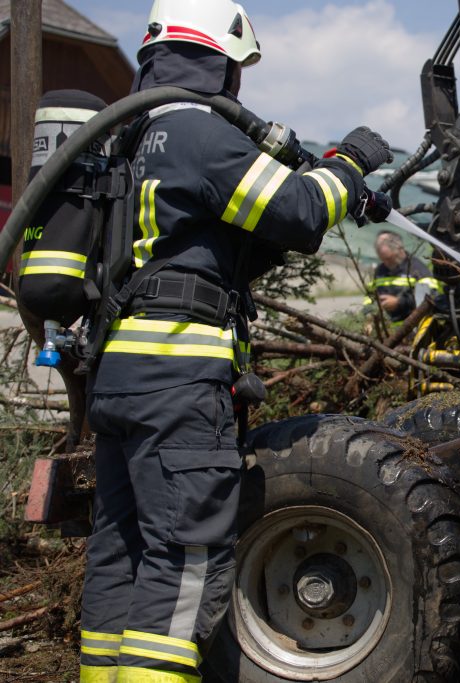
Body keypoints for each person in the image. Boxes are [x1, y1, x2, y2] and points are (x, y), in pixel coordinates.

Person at [78, 1, 392, 681]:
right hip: (177, 382)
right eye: (236, 71)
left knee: (121, 554)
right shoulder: (200, 134)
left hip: (119, 382)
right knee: (184, 560)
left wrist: (334, 182)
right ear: (217, 60)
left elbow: (229, 247)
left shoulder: (130, 138)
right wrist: (352, 161)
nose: (239, 90)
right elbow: (300, 213)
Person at [365, 230, 439, 322]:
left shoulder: (418, 269)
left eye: (389, 259)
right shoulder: (380, 270)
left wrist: (399, 302)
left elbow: (430, 297)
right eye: (383, 260)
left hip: (411, 327)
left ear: (400, 249)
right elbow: (369, 297)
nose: (386, 264)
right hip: (385, 327)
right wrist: (369, 312)